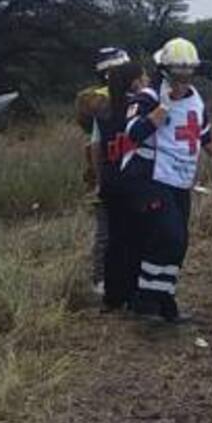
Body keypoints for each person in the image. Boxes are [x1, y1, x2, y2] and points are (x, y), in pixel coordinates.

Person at [121, 37, 212, 322]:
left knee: (179, 243)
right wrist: (161, 111)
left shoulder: (195, 99)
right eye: (178, 73)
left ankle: (165, 301)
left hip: (180, 179)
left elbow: (202, 132)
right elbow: (132, 134)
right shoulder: (148, 97)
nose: (183, 80)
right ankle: (145, 301)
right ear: (165, 71)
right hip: (150, 177)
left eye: (188, 73)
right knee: (168, 235)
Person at [90, 59, 147, 312]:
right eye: (143, 77)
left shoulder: (102, 110)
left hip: (110, 180)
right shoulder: (139, 107)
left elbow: (95, 147)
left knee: (113, 238)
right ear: (134, 81)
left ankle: (111, 295)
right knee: (135, 238)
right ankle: (132, 293)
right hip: (133, 180)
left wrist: (99, 178)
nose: (146, 81)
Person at [79, 47, 131, 299]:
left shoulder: (120, 100)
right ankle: (101, 278)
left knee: (117, 229)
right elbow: (95, 146)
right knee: (107, 230)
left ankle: (114, 277)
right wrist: (99, 179)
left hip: (119, 173)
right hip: (112, 173)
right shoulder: (101, 103)